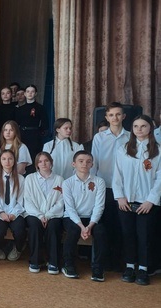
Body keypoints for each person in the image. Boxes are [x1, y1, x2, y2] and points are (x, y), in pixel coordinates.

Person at [113, 115, 161, 286]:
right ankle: (129, 267)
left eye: (143, 126)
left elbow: (160, 178)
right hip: (125, 201)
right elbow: (117, 174)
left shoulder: (158, 150)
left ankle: (143, 269)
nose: (139, 129)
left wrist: (151, 200)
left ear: (150, 128)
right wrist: (120, 196)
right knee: (128, 235)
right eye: (136, 126)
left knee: (144, 236)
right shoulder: (124, 148)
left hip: (146, 202)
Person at [91, 102, 130, 272]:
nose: (115, 118)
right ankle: (103, 262)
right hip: (104, 186)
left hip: (124, 189)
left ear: (124, 116)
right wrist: (93, 184)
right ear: (107, 117)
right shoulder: (99, 137)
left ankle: (119, 261)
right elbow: (94, 162)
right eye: (111, 115)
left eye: (118, 114)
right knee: (105, 225)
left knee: (121, 226)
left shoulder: (130, 137)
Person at [62, 151, 106, 281]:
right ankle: (69, 265)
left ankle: (98, 268)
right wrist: (81, 226)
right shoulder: (67, 183)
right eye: (81, 161)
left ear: (92, 164)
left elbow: (99, 206)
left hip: (92, 217)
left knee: (101, 232)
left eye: (88, 161)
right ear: (74, 164)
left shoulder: (99, 182)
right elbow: (70, 208)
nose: (84, 164)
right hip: (72, 217)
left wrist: (90, 225)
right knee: (73, 230)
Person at [24, 152, 65, 274]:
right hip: (34, 214)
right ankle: (35, 261)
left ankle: (53, 262)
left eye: (46, 161)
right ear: (37, 164)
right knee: (35, 227)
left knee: (53, 227)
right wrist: (40, 215)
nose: (43, 164)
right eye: (40, 161)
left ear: (51, 163)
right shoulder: (30, 178)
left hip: (53, 214)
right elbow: (28, 200)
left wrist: (48, 215)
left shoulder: (59, 179)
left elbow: (61, 201)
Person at [0, 149, 27, 261]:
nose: (7, 162)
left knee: (20, 229)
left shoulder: (21, 179)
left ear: (14, 161)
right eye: (4, 159)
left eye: (10, 159)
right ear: (0, 161)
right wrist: (1, 213)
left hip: (15, 212)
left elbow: (21, 200)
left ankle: (18, 249)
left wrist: (14, 213)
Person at [14, 84, 49, 166]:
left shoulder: (40, 108)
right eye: (28, 91)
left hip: (35, 136)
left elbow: (45, 123)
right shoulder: (20, 109)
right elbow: (16, 123)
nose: (30, 93)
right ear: (25, 94)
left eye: (32, 91)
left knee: (34, 156)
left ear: (35, 93)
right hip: (22, 135)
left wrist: (39, 132)